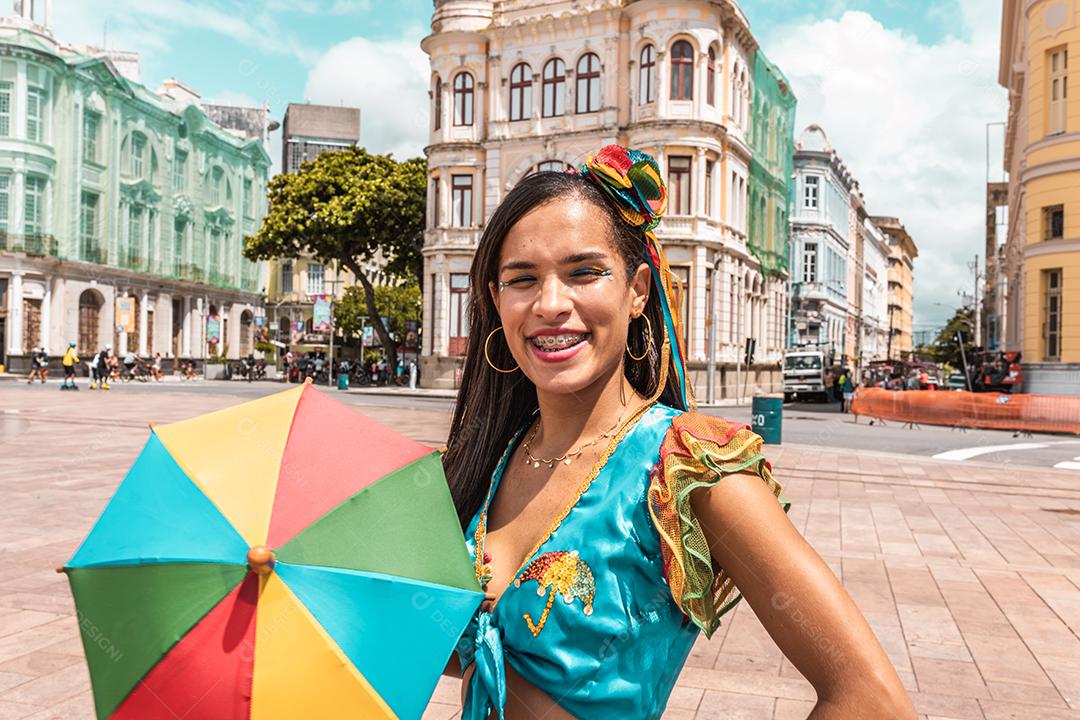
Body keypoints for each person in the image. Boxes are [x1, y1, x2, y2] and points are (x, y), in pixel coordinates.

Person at [441, 146, 915, 719]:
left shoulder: (685, 468)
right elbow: (484, 646)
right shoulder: (486, 460)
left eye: (583, 273)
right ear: (497, 300)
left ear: (638, 289)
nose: (550, 304)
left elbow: (873, 700)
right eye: (522, 280)